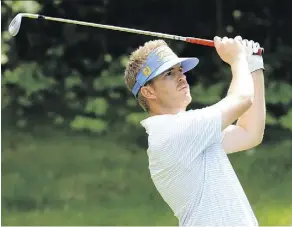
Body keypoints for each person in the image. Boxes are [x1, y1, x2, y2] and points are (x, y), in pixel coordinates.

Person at [124, 36, 266, 226]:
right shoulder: (173, 132)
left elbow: (249, 133)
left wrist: (253, 65)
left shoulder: (189, 131)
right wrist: (237, 59)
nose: (182, 76)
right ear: (148, 92)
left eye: (180, 70)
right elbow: (242, 99)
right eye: (168, 74)